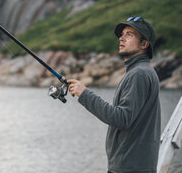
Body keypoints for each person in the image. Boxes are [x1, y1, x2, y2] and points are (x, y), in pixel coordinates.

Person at [68, 16, 161, 173]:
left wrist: (84, 94)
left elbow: (121, 118)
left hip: (129, 168)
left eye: (129, 34)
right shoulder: (141, 71)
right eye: (122, 33)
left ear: (144, 44)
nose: (121, 38)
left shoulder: (139, 74)